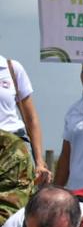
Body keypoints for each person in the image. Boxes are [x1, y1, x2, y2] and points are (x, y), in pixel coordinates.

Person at [0, 53, 50, 185]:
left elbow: (31, 118)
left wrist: (39, 162)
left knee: (20, 201)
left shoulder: (11, 68)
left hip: (14, 147)